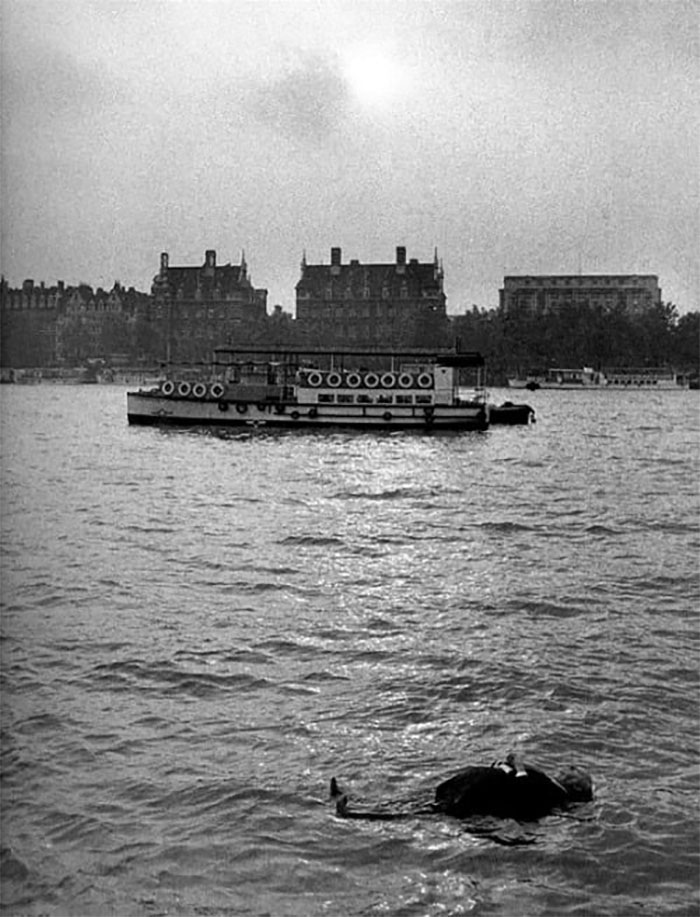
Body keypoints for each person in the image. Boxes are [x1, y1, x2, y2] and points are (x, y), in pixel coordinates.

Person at [331, 753, 593, 823]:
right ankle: (352, 803)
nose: (567, 767)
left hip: (479, 789)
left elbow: (523, 786)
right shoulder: (550, 784)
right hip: (480, 782)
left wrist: (520, 764)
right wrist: (514, 763)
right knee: (419, 805)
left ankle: (353, 811)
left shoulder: (555, 792)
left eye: (572, 770)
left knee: (419, 808)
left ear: (574, 784)